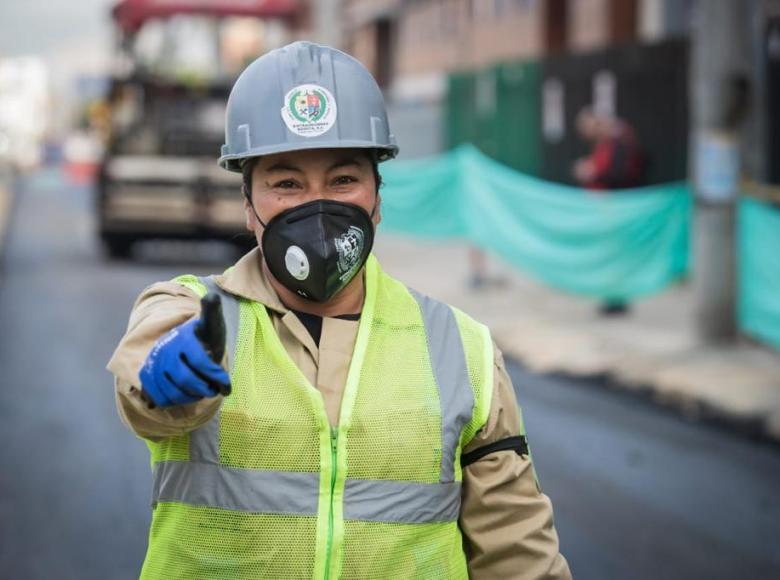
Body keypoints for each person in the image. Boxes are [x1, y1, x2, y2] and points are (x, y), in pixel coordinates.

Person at [108, 41, 571, 579]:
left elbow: (517, 547)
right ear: (248, 202)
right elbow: (145, 377)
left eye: (343, 180)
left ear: (377, 196)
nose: (316, 206)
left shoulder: (461, 349)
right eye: (286, 183)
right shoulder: (192, 312)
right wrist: (165, 375)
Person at [573, 107, 644, 316]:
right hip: (607, 208)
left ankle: (617, 299)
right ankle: (612, 296)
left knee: (616, 255)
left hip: (615, 208)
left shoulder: (617, 143)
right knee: (609, 255)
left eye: (588, 128)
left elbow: (618, 175)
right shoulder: (607, 144)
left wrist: (592, 173)